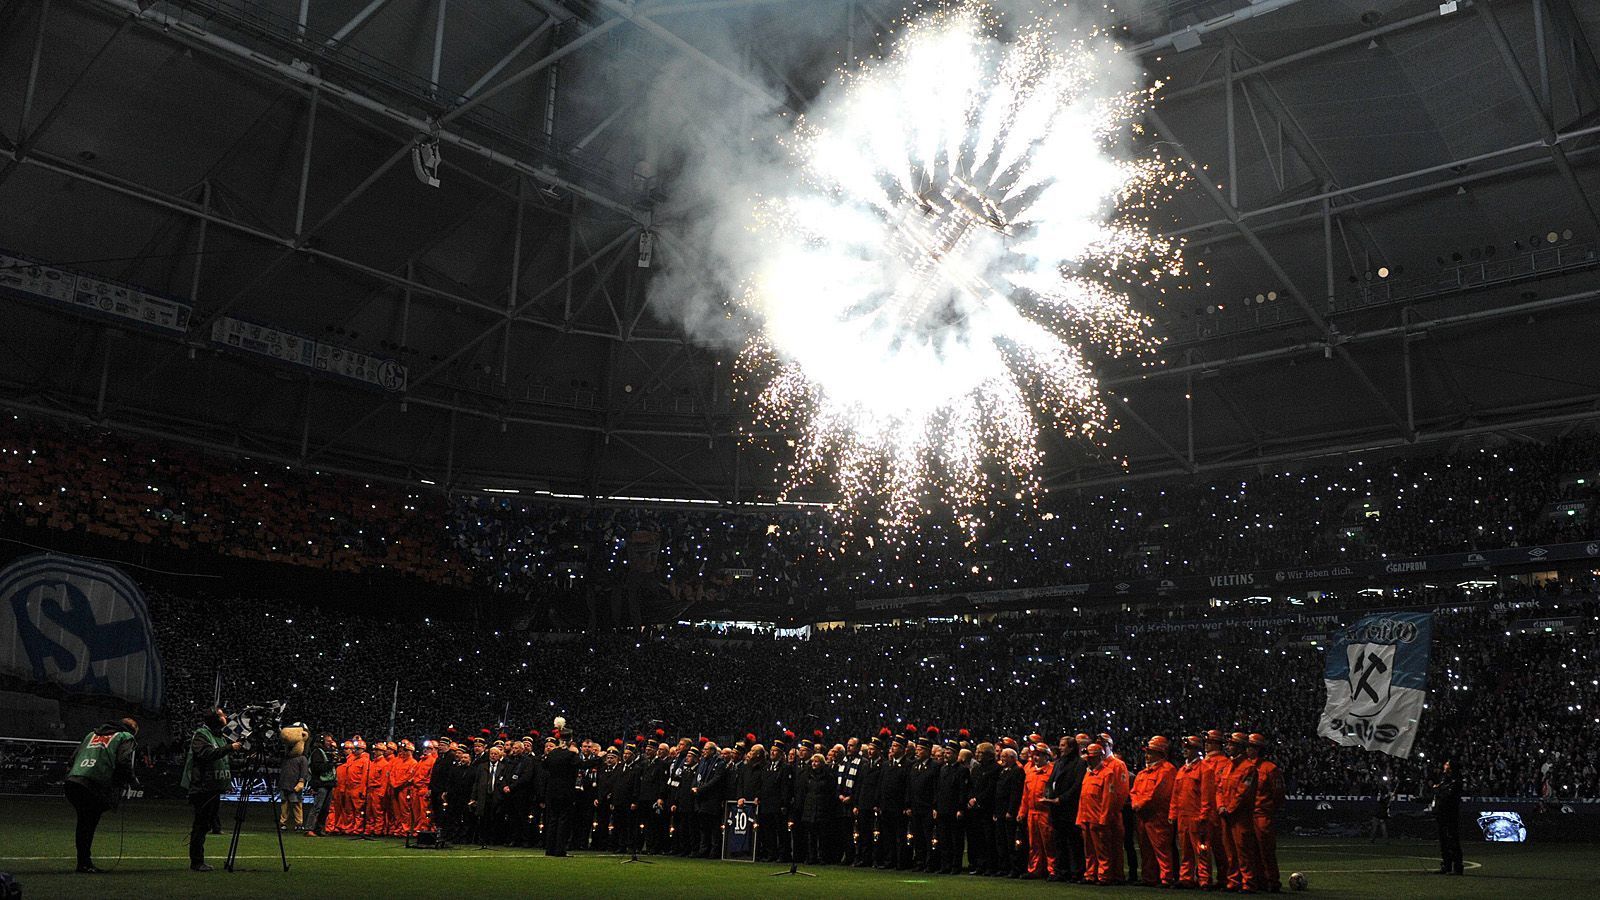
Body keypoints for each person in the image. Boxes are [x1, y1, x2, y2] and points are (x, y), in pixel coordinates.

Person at [63, 716, 139, 873]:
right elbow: (123, 761)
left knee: (84, 822)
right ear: (132, 730)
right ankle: (84, 863)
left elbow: (72, 758)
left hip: (74, 781)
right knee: (88, 823)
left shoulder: (91, 735)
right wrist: (131, 779)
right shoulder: (125, 737)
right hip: (94, 783)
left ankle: (83, 861)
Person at [180, 707, 242, 872]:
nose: (226, 717)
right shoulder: (201, 735)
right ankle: (197, 861)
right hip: (202, 788)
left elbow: (223, 761)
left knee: (205, 824)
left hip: (213, 788)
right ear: (215, 719)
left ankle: (199, 860)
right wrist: (231, 747)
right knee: (200, 825)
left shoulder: (219, 737)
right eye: (222, 715)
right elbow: (206, 754)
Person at [1077, 741, 1128, 886]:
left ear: (1100, 757)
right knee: (1090, 851)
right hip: (1087, 817)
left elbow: (1108, 798)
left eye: (1092, 757)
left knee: (1102, 851)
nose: (1089, 760)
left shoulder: (1107, 773)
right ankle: (1090, 875)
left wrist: (1104, 818)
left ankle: (1104, 876)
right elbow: (1083, 797)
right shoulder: (1089, 773)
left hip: (1097, 818)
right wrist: (1080, 817)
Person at [1216, 732, 1261, 893]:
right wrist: (1221, 806)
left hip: (1240, 816)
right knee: (1230, 851)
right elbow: (1220, 789)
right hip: (1228, 815)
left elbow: (1244, 792)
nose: (1228, 747)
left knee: (1243, 851)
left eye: (1231, 744)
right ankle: (1233, 882)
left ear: (1240, 747)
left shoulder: (1248, 768)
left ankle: (1248, 883)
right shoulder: (1228, 766)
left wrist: (1229, 808)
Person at [1131, 735, 1177, 888]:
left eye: (1150, 752)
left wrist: (1139, 804)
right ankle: (1149, 877)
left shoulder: (1167, 770)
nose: (1147, 755)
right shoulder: (1144, 772)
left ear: (1160, 753)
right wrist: (1136, 803)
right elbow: (1134, 791)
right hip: (1144, 816)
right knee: (1146, 849)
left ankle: (1166, 878)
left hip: (1157, 816)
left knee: (1162, 849)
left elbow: (1159, 793)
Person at [1169, 735, 1207, 889]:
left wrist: (1204, 814)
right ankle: (1186, 878)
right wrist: (1173, 813)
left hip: (1196, 815)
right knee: (1185, 850)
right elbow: (1175, 795)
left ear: (1196, 750)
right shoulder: (1182, 770)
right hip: (1183, 816)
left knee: (1201, 850)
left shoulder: (1204, 769)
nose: (1185, 750)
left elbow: (1206, 794)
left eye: (1189, 747)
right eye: (1185, 747)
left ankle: (1204, 879)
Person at [1247, 734, 1283, 893]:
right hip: (1248, 814)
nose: (1248, 749)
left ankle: (1272, 881)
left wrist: (1269, 809)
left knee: (1266, 849)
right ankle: (1258, 880)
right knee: (1250, 850)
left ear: (1258, 749)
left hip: (1262, 814)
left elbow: (1278, 793)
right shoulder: (1245, 766)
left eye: (1251, 746)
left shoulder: (1270, 768)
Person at [1020, 742, 1056, 879]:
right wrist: (1022, 812)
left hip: (1045, 812)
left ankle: (1052, 870)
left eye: (1039, 755)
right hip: (1032, 812)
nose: (1036, 758)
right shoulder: (1030, 772)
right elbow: (1025, 795)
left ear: (1047, 757)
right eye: (1035, 755)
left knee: (1049, 843)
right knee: (1033, 843)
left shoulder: (1052, 771)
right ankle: (1035, 869)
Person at [1432, 759, 1463, 876]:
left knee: (1452, 841)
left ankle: (1457, 867)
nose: (1444, 766)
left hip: (1450, 815)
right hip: (1442, 814)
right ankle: (1446, 865)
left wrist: (1437, 790)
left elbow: (1448, 796)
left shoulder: (1455, 781)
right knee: (1444, 841)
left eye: (1447, 764)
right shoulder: (1444, 779)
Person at [304, 733, 338, 836]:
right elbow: (317, 768)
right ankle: (309, 828)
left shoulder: (326, 752)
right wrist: (331, 763)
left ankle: (319, 829)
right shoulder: (317, 753)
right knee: (317, 807)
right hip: (321, 783)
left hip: (328, 783)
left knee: (325, 809)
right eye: (328, 741)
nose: (330, 743)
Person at [277, 739, 309, 831]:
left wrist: (301, 781)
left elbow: (304, 772)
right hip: (285, 784)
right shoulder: (286, 758)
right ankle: (283, 822)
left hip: (294, 785)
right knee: (284, 804)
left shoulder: (302, 758)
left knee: (296, 804)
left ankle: (299, 822)